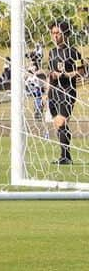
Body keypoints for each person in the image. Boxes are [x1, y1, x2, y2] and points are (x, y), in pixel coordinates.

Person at [47, 18, 83, 165]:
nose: (55, 36)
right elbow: (50, 72)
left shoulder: (72, 51)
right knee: (58, 124)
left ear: (65, 34)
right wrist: (47, 91)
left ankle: (66, 157)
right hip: (53, 92)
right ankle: (65, 156)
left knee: (62, 122)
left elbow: (83, 70)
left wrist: (66, 75)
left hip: (67, 91)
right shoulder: (51, 52)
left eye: (58, 33)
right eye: (53, 33)